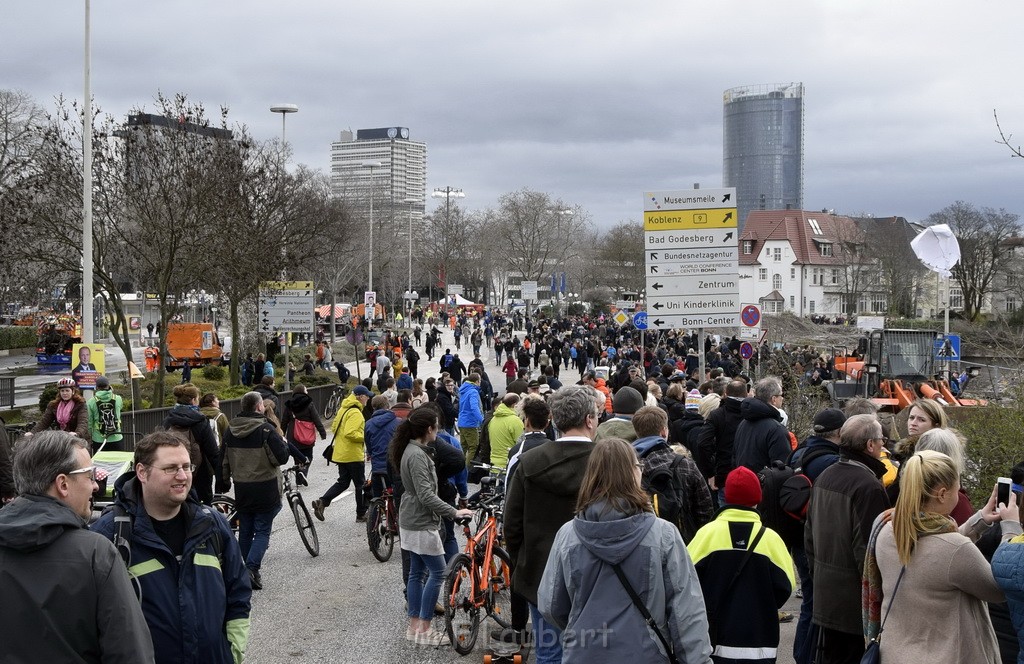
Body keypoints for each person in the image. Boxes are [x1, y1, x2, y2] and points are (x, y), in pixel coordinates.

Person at [539, 436, 713, 664]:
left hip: (586, 653)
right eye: (638, 466)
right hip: (646, 653)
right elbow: (687, 613)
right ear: (633, 473)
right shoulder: (663, 534)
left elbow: (551, 605)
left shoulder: (568, 535)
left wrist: (583, 624)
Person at [92, 431, 251, 663]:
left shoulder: (212, 524)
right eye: (171, 468)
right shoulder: (109, 534)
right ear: (142, 472)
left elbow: (238, 591)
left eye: (187, 467)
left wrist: (233, 653)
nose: (182, 476)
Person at [0, 431, 155, 663]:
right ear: (63, 484)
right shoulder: (96, 554)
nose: (95, 486)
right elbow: (129, 653)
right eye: (90, 476)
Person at [864, 451, 1019, 664]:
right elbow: (999, 589)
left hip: (894, 653)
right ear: (943, 494)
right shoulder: (955, 549)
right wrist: (1011, 528)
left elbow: (934, 555)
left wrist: (980, 521)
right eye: (958, 487)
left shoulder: (887, 528)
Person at [504, 385, 603, 664]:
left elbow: (511, 524)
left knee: (549, 652)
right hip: (598, 573)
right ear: (589, 419)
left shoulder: (529, 461)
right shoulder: (607, 461)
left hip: (540, 571)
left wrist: (523, 561)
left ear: (556, 421)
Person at [804, 414, 891, 664]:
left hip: (826, 595)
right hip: (854, 607)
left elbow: (809, 536)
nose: (884, 445)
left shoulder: (826, 476)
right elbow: (868, 552)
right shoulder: (868, 487)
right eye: (881, 440)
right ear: (870, 445)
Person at [687, 466, 793, 663]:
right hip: (761, 641)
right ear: (757, 498)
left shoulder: (706, 534)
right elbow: (786, 586)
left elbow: (687, 581)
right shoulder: (771, 539)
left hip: (715, 640)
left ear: (726, 496)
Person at [390, 408, 474, 646]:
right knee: (438, 572)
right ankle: (424, 629)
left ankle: (415, 627)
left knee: (417, 574)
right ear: (429, 429)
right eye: (436, 426)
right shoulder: (417, 455)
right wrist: (455, 512)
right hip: (421, 521)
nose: (438, 430)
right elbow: (426, 495)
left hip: (412, 518)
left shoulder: (412, 449)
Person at [220, 391, 290, 590]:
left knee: (246, 529)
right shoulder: (266, 430)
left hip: (242, 487)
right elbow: (281, 458)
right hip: (265, 486)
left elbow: (223, 459)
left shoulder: (230, 431)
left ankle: (243, 570)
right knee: (262, 530)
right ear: (259, 407)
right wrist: (283, 444)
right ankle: (251, 568)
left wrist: (224, 481)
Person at [631, 405, 714, 541]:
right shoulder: (685, 465)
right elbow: (705, 509)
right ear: (664, 431)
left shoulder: (629, 466)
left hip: (643, 540)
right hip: (682, 540)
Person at [313, 385, 372, 522]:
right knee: (360, 484)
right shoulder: (356, 413)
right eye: (366, 396)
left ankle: (322, 501)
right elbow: (350, 433)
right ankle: (361, 514)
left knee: (343, 482)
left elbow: (334, 427)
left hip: (341, 453)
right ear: (360, 397)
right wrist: (364, 437)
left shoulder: (343, 409)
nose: (368, 398)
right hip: (352, 454)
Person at [162, 383, 220, 505]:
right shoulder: (200, 421)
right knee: (201, 512)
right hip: (200, 476)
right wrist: (222, 479)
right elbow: (213, 452)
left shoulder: (169, 419)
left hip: (174, 474)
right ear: (193, 400)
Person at [697, 379, 747, 504]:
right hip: (749, 474)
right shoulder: (752, 414)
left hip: (725, 475)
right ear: (746, 394)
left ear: (725, 393)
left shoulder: (717, 415)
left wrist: (711, 472)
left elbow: (703, 443)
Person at [733, 376, 791, 473]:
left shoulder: (744, 422)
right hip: (764, 485)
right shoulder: (776, 429)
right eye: (781, 395)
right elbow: (782, 468)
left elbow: (735, 457)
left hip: (744, 480)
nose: (782, 398)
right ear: (774, 399)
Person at [280, 384, 327, 486]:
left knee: (297, 458)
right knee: (308, 456)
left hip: (293, 435)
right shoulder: (309, 403)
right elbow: (316, 419)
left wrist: (281, 434)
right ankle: (303, 472)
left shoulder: (289, 405)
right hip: (307, 436)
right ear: (303, 391)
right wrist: (322, 432)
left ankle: (298, 480)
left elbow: (284, 421)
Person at [86, 375, 123, 452]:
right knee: (117, 462)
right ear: (109, 385)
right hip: (116, 438)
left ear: (96, 387)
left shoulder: (91, 402)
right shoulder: (118, 398)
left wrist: (89, 437)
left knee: (100, 463)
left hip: (99, 440)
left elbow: (89, 423)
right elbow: (120, 409)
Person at [488, 392, 525, 469]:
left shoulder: (493, 419)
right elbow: (521, 444)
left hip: (494, 464)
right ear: (514, 405)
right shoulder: (515, 421)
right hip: (509, 464)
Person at [457, 373, 484, 467]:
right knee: (473, 447)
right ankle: (467, 470)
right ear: (477, 381)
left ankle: (459, 468)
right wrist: (482, 420)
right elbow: (474, 408)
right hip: (470, 423)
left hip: (462, 422)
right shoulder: (473, 391)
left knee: (463, 447)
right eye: (479, 381)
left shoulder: (464, 390)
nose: (480, 383)